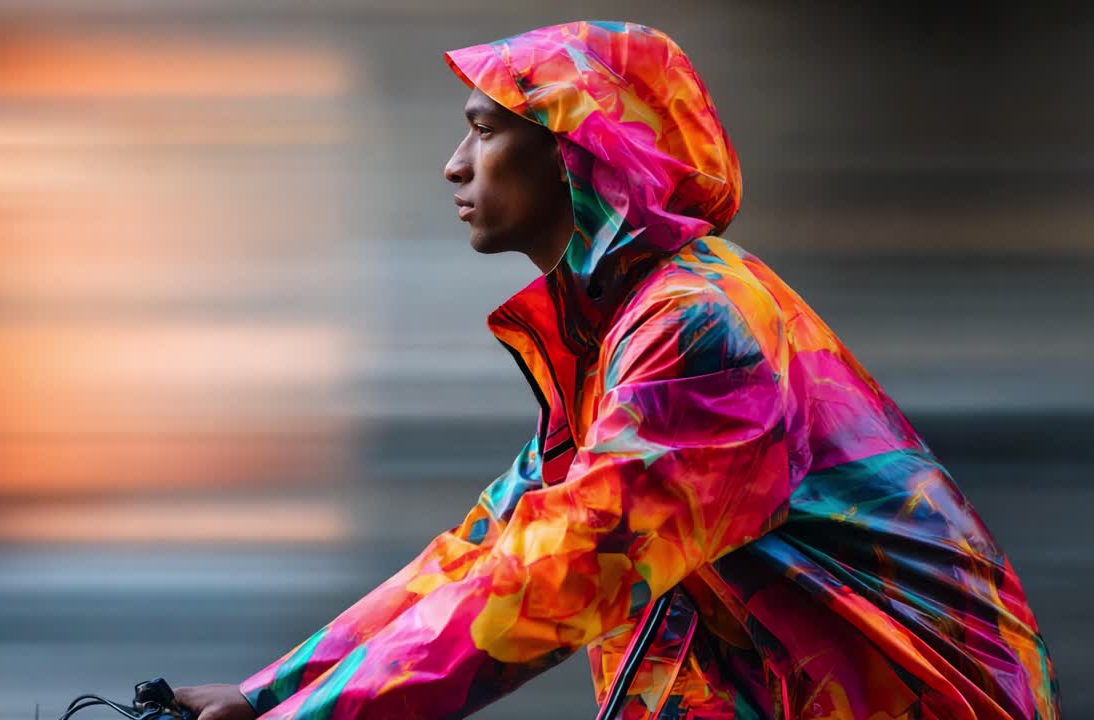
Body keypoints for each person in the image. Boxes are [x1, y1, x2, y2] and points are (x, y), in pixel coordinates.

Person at [173, 20, 1059, 720]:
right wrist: (270, 693)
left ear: (580, 149)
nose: (452, 164)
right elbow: (491, 545)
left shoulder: (702, 331)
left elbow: (572, 566)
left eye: (484, 130)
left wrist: (319, 713)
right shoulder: (622, 329)